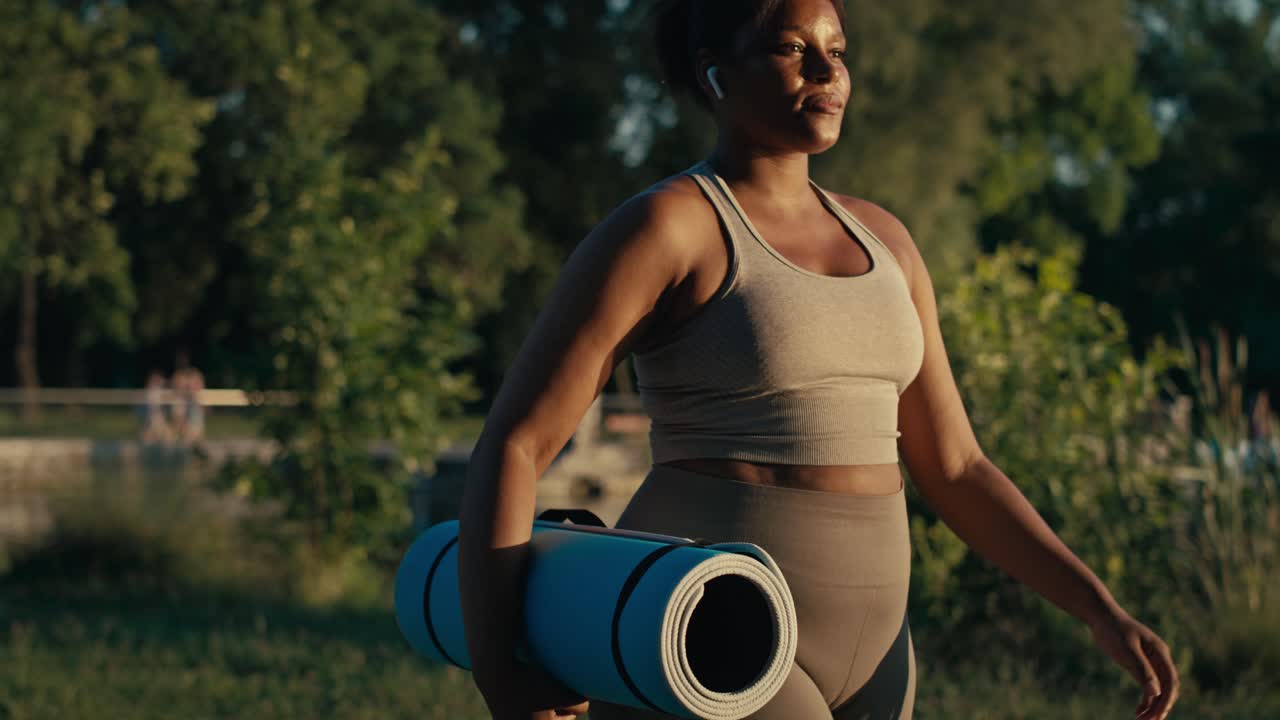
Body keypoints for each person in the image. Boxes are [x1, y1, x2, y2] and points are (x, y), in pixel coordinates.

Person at [456, 1, 1181, 718]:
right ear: (716, 76)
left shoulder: (887, 240)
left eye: (837, 49)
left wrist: (1097, 608)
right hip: (713, 621)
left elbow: (957, 467)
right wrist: (499, 664)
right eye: (792, 47)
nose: (826, 68)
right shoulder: (668, 228)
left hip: (879, 650)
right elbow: (518, 443)